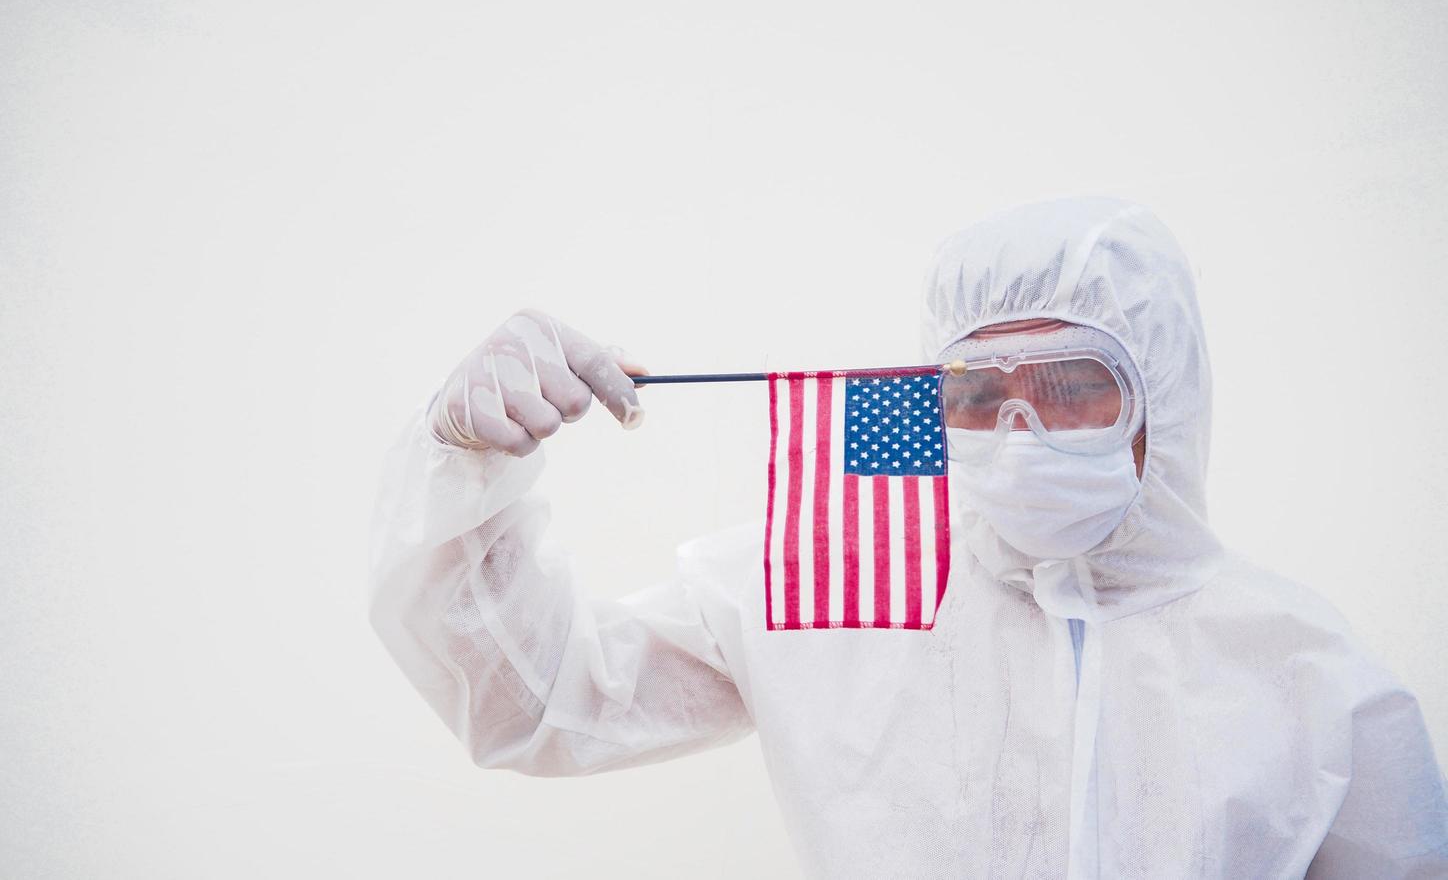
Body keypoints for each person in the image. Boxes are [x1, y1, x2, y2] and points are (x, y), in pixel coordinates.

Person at [367, 196, 1448, 878]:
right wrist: (464, 462)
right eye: (977, 390)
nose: (1017, 430)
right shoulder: (835, 590)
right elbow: (542, 700)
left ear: (1161, 397)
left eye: (1074, 386)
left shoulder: (1311, 685)